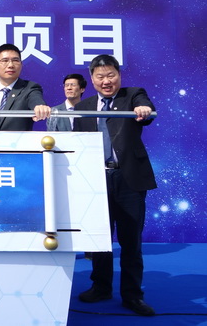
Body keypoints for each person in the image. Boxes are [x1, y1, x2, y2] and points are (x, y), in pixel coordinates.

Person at [73, 54, 157, 316]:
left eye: (111, 75)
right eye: (100, 76)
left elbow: (146, 108)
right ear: (92, 79)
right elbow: (77, 142)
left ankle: (132, 295)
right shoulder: (84, 106)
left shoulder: (133, 96)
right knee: (100, 240)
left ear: (119, 75)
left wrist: (143, 110)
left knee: (131, 241)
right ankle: (101, 287)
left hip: (128, 179)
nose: (106, 81)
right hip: (96, 180)